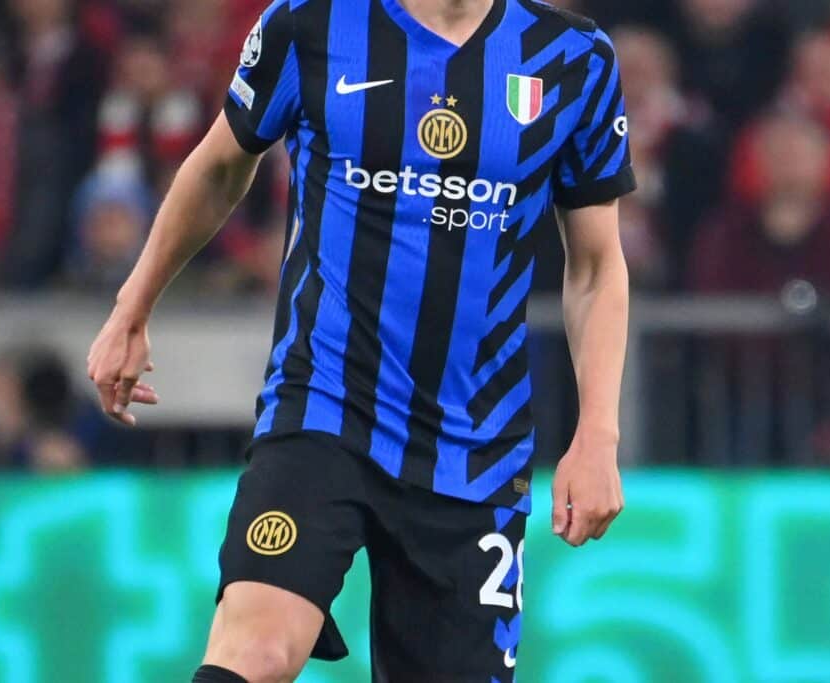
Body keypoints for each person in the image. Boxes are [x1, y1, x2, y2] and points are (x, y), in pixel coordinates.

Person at [86, 0, 634, 681]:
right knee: (256, 651)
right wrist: (132, 306)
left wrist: (598, 433)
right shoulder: (309, 22)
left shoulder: (574, 57)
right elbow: (221, 165)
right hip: (325, 405)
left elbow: (596, 266)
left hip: (473, 448)